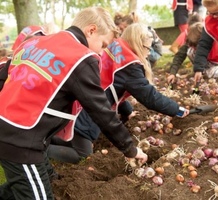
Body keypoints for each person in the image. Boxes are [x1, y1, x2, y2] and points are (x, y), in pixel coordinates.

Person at [0, 7, 148, 199]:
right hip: (20, 140)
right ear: (91, 30)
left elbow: (4, 75)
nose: (102, 53)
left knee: (32, 183)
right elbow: (100, 110)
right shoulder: (81, 58)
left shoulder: (37, 41)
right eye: (103, 45)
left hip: (13, 128)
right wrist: (130, 148)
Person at [47, 23, 190, 164]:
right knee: (83, 155)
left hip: (79, 100)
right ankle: (40, 150)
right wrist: (177, 110)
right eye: (148, 47)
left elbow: (113, 85)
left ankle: (48, 136)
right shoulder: (131, 66)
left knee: (68, 135)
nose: (149, 52)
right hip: (89, 110)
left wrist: (127, 111)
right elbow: (150, 97)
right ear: (138, 44)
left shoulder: (116, 47)